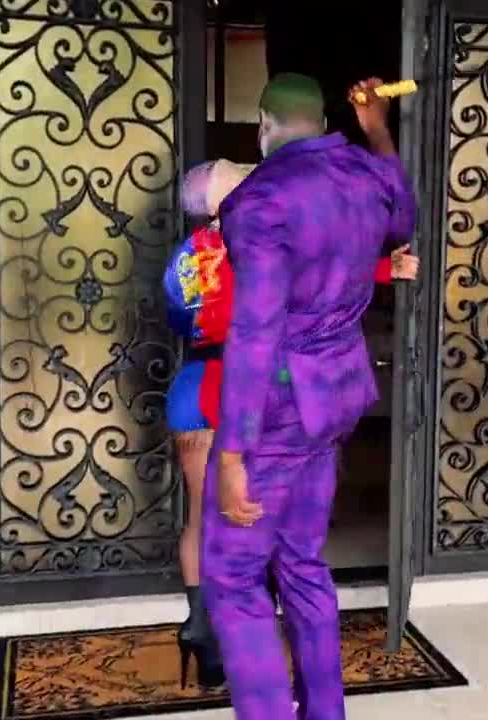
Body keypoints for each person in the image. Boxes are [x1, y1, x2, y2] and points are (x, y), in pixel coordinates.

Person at [200, 74, 414, 719]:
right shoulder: (365, 173)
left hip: (278, 410)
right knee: (301, 561)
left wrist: (232, 453)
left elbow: (256, 331)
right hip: (335, 397)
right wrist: (377, 129)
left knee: (233, 577)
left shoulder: (259, 201)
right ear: (322, 124)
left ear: (264, 125)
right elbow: (404, 218)